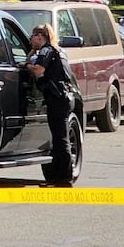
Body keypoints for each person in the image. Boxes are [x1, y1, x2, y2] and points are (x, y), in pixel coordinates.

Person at [26, 22, 76, 186]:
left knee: (60, 139)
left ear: (40, 36)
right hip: (64, 96)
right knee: (59, 137)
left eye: (32, 37)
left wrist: (27, 65)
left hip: (56, 98)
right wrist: (33, 51)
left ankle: (64, 178)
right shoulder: (58, 50)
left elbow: (38, 71)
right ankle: (59, 177)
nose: (31, 40)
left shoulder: (46, 50)